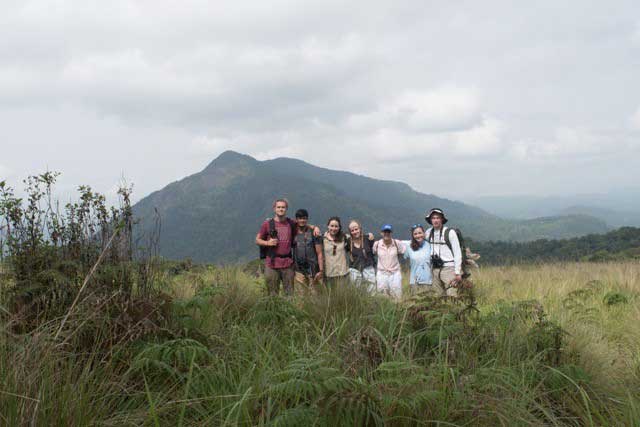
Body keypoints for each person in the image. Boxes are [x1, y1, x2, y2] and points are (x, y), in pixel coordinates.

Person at [255, 198, 319, 296]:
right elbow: (257, 240)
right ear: (274, 209)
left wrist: (314, 227)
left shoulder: (290, 223)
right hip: (272, 263)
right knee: (273, 294)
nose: (281, 209)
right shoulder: (267, 224)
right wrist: (268, 243)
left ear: (286, 209)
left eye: (283, 207)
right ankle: (274, 311)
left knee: (289, 294)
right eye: (279, 207)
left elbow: (302, 223)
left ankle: (288, 311)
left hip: (287, 263)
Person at [425, 208, 462, 297]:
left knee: (452, 295)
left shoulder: (449, 232)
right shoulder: (428, 232)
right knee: (438, 296)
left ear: (442, 219)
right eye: (433, 218)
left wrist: (457, 272)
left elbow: (457, 253)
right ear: (430, 220)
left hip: (449, 269)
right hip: (434, 269)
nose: (435, 220)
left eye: (438, 218)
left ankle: (454, 311)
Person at [292, 209, 324, 295]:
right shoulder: (293, 233)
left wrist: (321, 270)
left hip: (313, 269)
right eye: (300, 218)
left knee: (315, 296)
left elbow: (319, 253)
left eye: (304, 218)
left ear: (307, 219)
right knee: (301, 296)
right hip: (298, 270)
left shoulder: (314, 233)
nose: (302, 220)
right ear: (296, 219)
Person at [372, 224, 406, 299]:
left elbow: (402, 251)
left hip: (395, 274)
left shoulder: (397, 243)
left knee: (397, 296)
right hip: (382, 274)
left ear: (391, 233)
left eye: (388, 232)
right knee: (382, 297)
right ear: (381, 233)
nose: (386, 234)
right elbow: (374, 252)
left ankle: (397, 309)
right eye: (385, 232)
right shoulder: (377, 244)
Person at [401, 224, 433, 294]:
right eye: (415, 234)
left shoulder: (429, 245)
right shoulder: (409, 247)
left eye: (420, 233)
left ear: (424, 233)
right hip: (414, 281)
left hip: (428, 281)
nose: (418, 236)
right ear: (412, 236)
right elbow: (400, 249)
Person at [347, 219, 376, 291]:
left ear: (360, 229)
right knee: (355, 291)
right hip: (354, 269)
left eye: (356, 229)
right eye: (352, 230)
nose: (354, 232)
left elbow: (375, 250)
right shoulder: (348, 241)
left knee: (371, 290)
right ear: (350, 232)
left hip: (368, 267)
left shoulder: (368, 238)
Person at [322, 216, 350, 288]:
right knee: (329, 297)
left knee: (342, 297)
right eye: (332, 226)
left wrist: (368, 235)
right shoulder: (322, 239)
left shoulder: (344, 237)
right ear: (328, 226)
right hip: (328, 273)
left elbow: (356, 235)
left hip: (342, 273)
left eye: (336, 226)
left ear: (339, 227)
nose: (334, 228)